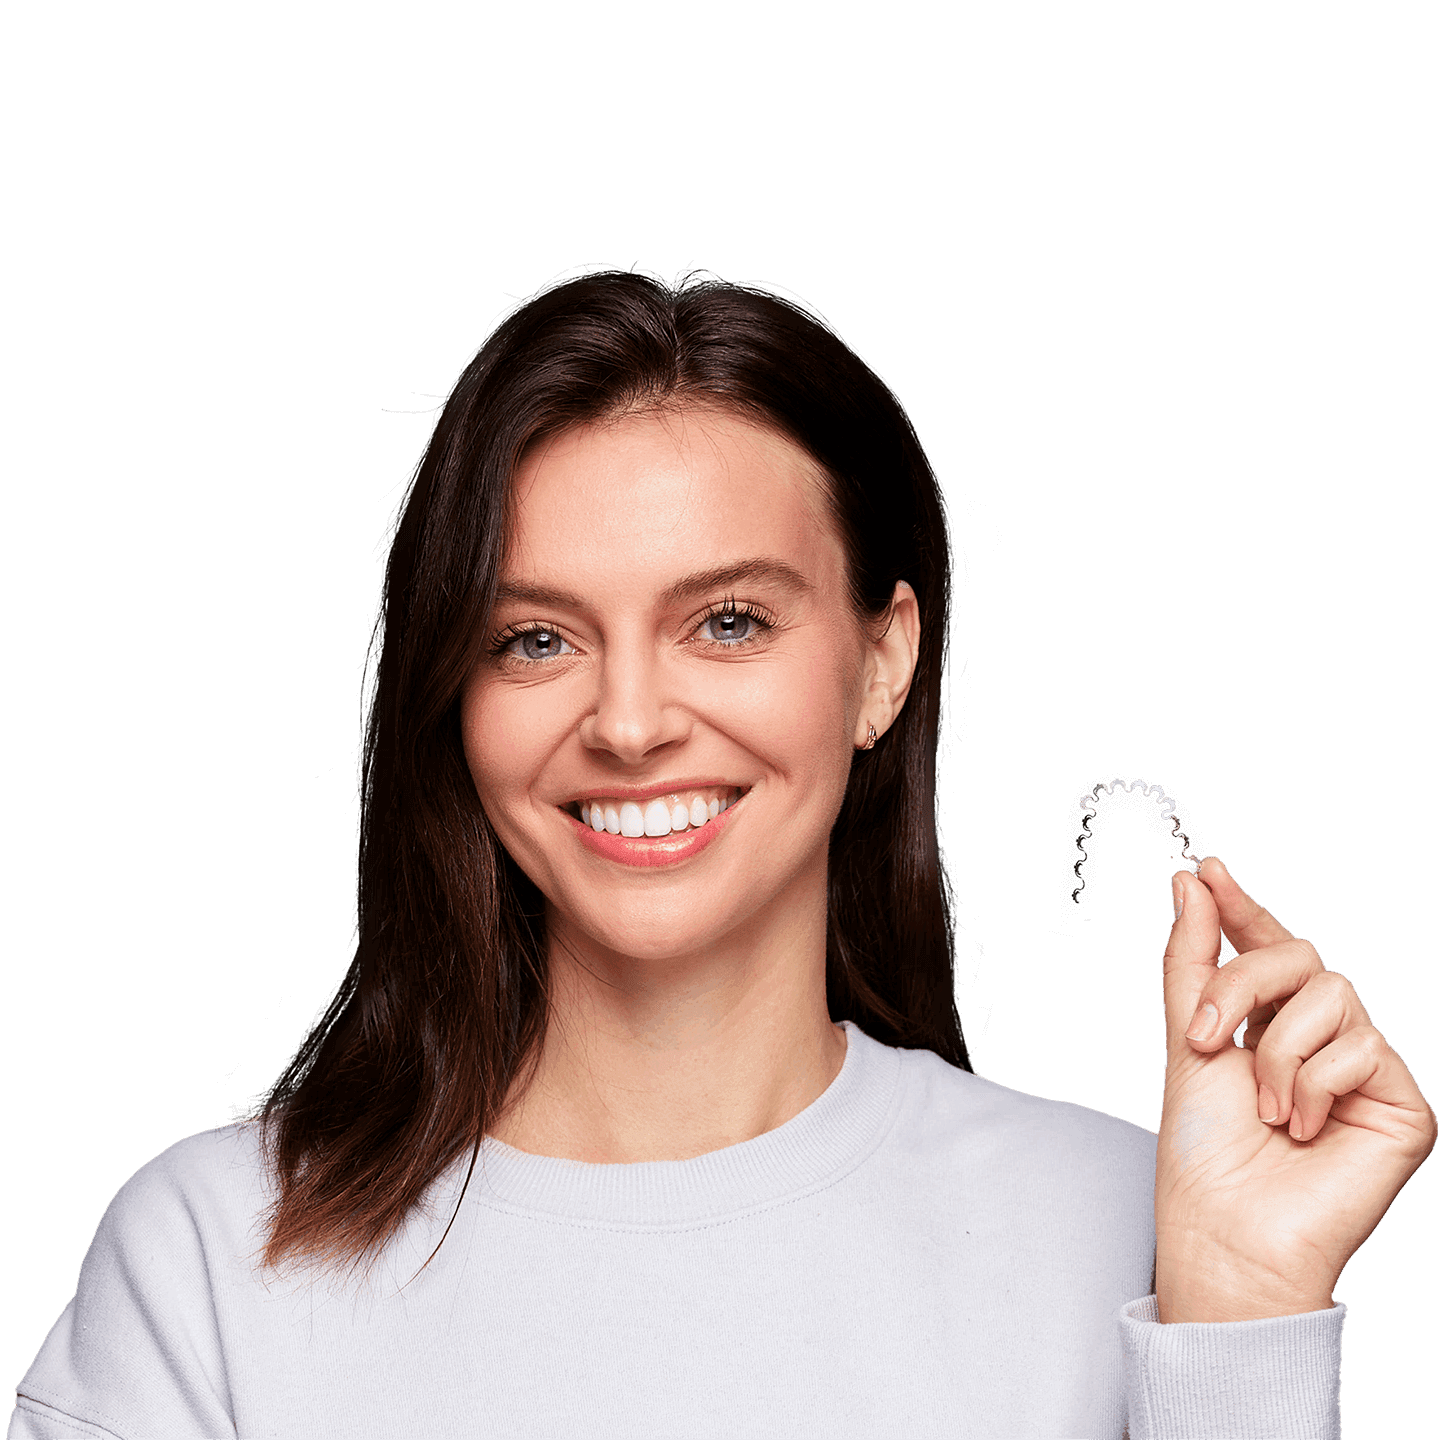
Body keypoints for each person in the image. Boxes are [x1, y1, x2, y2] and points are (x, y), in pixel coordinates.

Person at [10, 268, 1435, 1440]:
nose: (629, 722)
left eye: (730, 621)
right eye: (537, 640)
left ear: (884, 664)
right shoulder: (216, 1257)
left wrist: (1240, 1327)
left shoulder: (1134, 1230)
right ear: (455, 696)